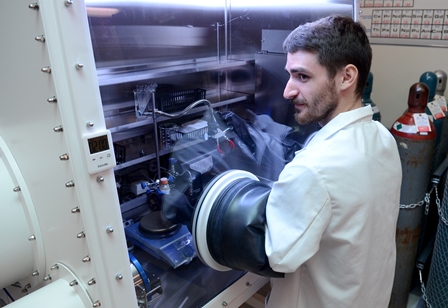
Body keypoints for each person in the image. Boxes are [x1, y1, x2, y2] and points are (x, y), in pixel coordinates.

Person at [263, 15, 402, 307]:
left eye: (303, 76)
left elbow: (279, 255)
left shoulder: (312, 169)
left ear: (346, 77)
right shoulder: (382, 138)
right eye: (289, 74)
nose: (288, 90)